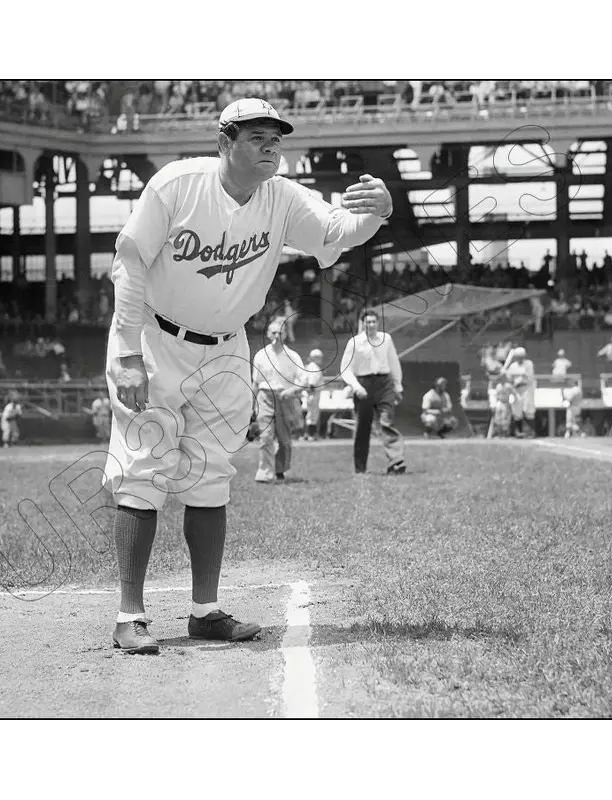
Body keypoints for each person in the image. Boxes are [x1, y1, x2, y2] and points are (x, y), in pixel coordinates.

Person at [105, 97, 392, 654]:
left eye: (276, 138)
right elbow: (130, 260)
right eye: (256, 137)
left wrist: (378, 212)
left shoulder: (281, 196)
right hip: (157, 340)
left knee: (212, 475)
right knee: (142, 471)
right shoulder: (176, 185)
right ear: (224, 143)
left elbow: (336, 230)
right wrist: (127, 353)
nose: (270, 146)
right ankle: (129, 615)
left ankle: (204, 610)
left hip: (228, 348)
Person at [339, 307, 405, 474]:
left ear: (378, 323)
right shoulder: (354, 342)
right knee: (363, 427)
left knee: (386, 421)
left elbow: (394, 362)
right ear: (362, 324)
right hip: (363, 384)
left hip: (384, 383)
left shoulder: (386, 339)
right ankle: (360, 468)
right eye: (368, 322)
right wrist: (356, 387)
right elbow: (345, 369)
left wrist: (398, 386)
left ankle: (396, 461)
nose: (371, 325)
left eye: (374, 321)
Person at [251, 317, 307, 483]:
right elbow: (255, 382)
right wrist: (252, 405)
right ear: (268, 334)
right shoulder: (261, 355)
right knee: (266, 437)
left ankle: (280, 469)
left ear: (285, 335)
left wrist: (292, 390)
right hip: (265, 397)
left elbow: (303, 380)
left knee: (284, 440)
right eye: (273, 332)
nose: (276, 336)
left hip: (285, 398)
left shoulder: (293, 356)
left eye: (280, 332)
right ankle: (265, 473)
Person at [504, 346, 537, 437]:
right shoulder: (513, 365)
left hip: (527, 388)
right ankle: (519, 431)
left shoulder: (528, 364)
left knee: (528, 410)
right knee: (516, 412)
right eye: (518, 357)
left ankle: (531, 432)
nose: (520, 359)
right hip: (516, 390)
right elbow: (509, 379)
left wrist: (509, 372)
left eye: (521, 357)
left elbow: (524, 373)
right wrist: (504, 372)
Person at [302, 348, 324, 441]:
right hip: (313, 393)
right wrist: (311, 393)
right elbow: (312, 383)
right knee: (313, 414)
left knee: (310, 415)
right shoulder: (314, 367)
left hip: (310, 393)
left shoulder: (310, 366)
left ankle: (307, 434)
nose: (321, 359)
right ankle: (311, 435)